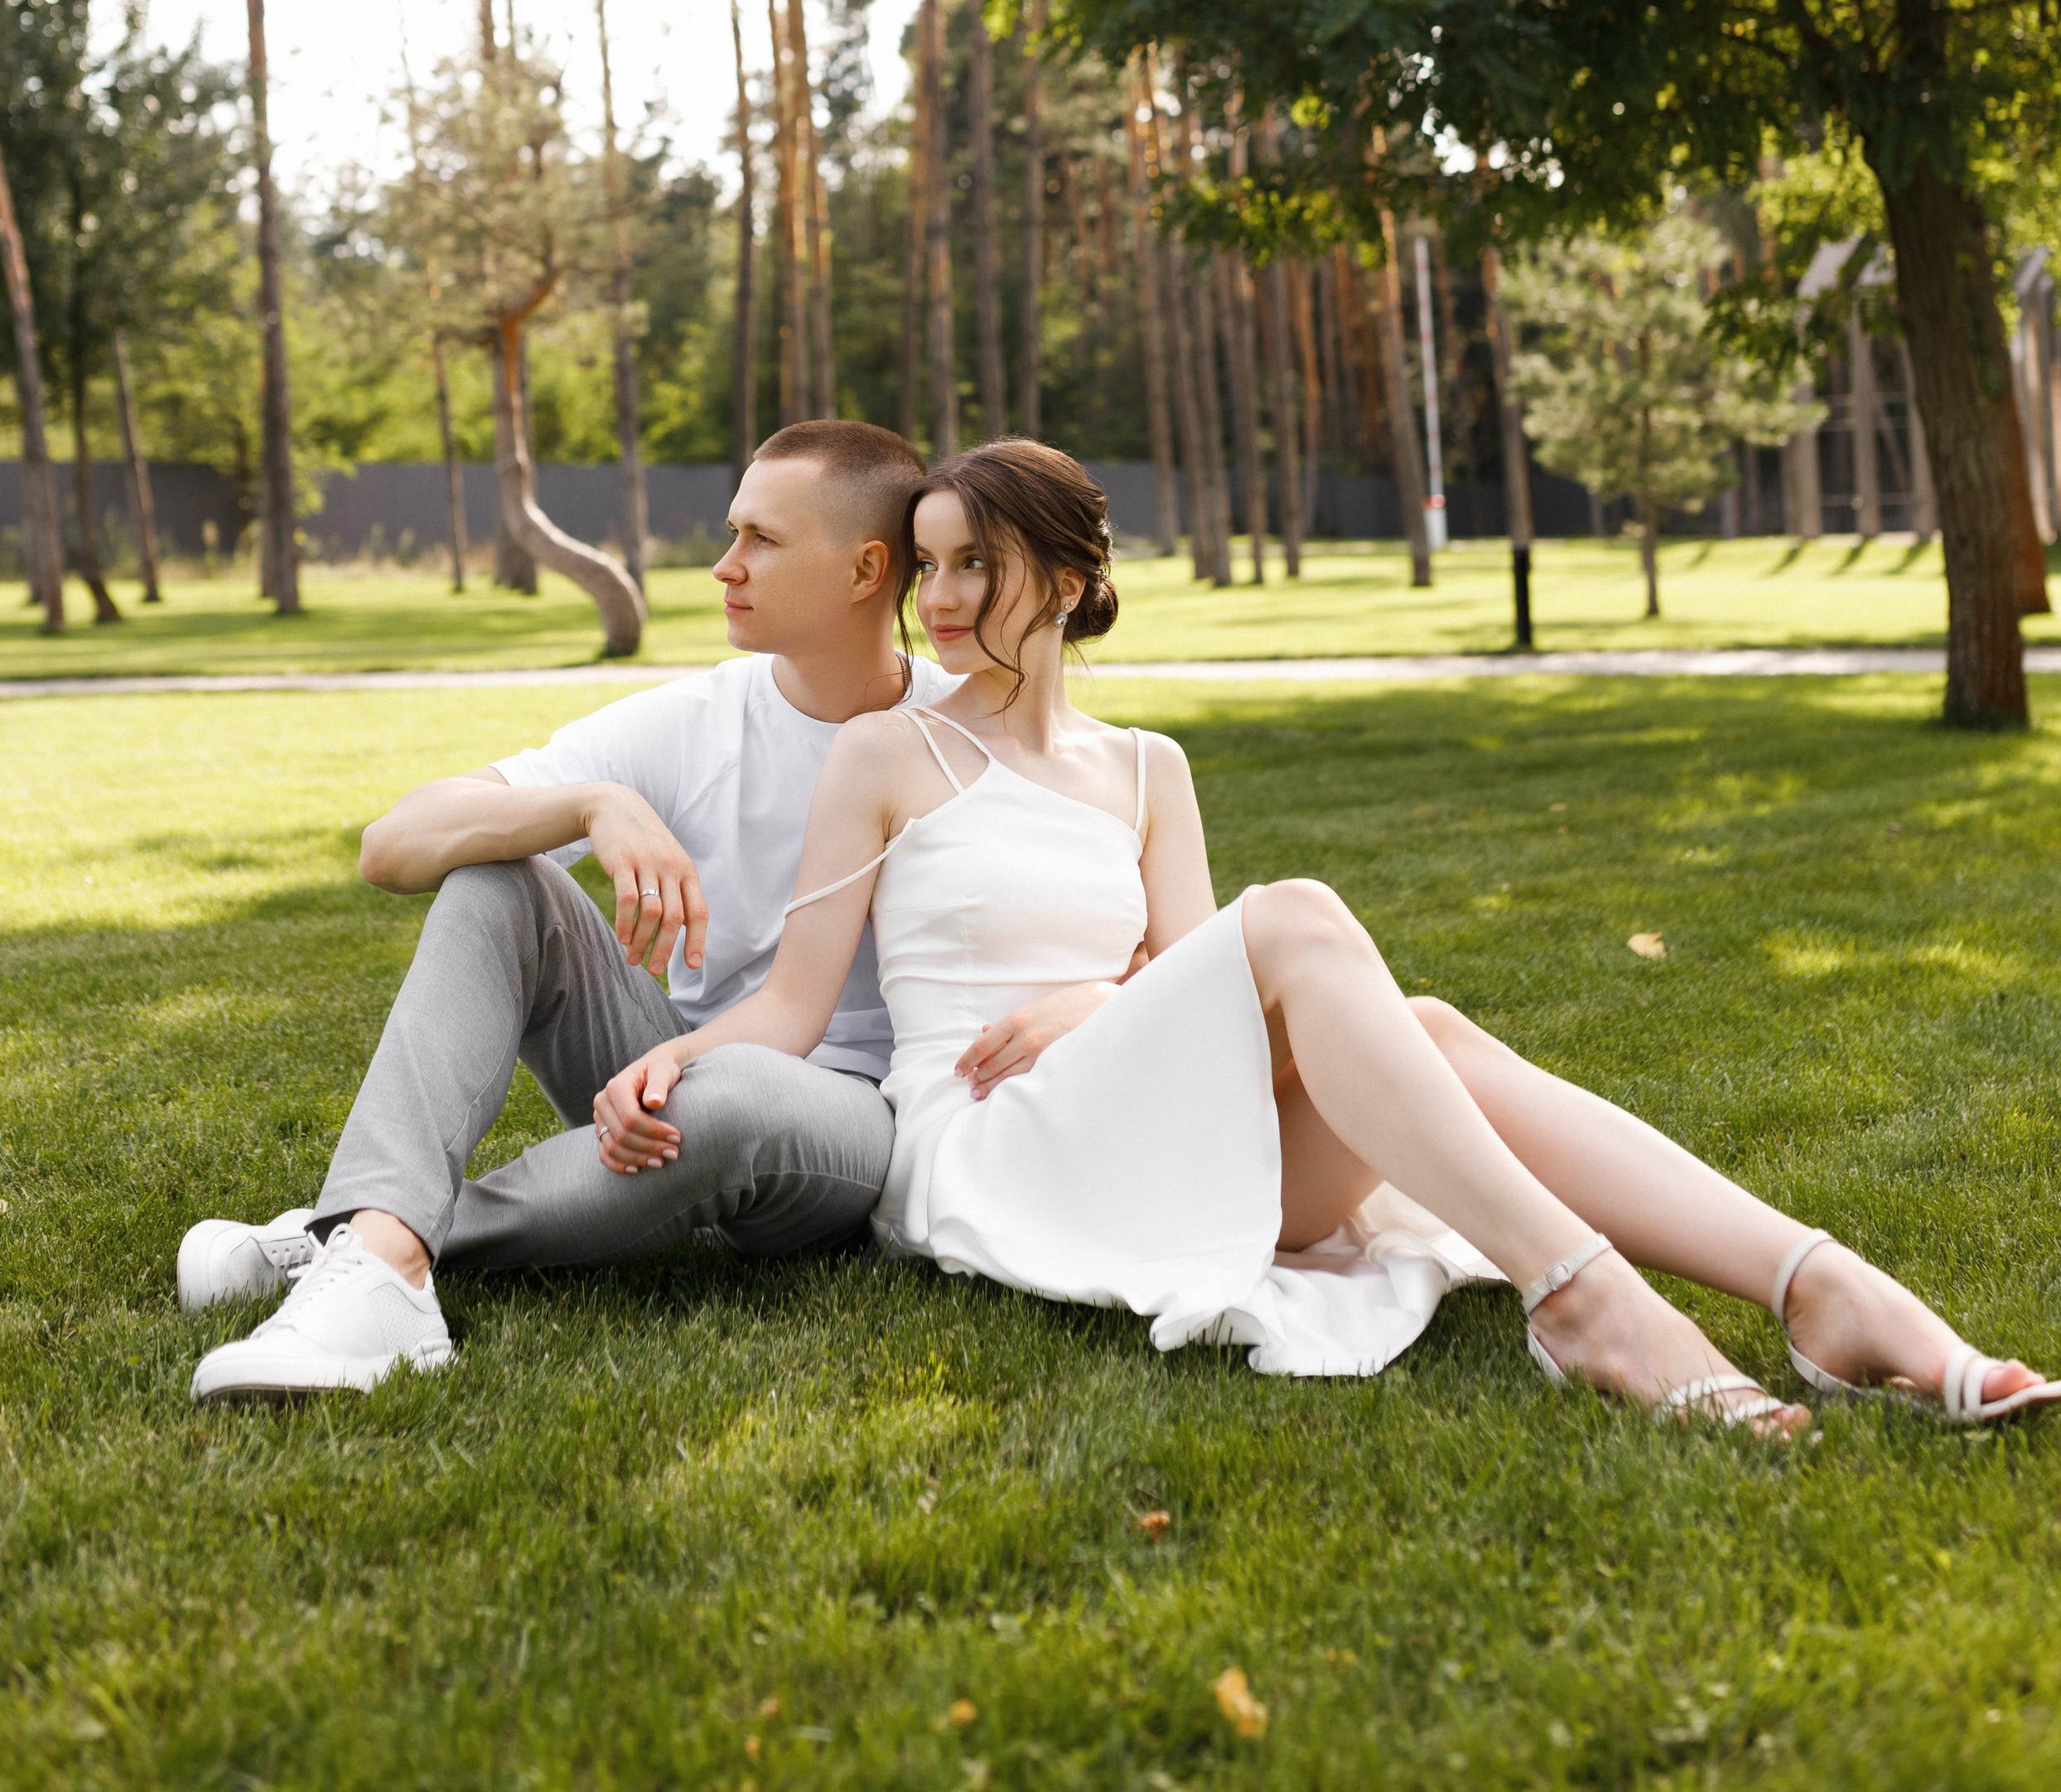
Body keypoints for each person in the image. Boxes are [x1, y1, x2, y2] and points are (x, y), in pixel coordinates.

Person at [594, 437, 2061, 1429]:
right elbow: (793, 1006)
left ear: (1066, 570)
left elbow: (1179, 974)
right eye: (928, 569)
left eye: (975, 562)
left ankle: (1816, 1287)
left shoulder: (1147, 769)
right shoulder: (888, 755)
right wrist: (671, 1065)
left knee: (1419, 1029)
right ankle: (1595, 1298)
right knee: (1297, 922)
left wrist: (1105, 1006)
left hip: (1141, 1112)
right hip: (992, 1140)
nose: (947, 598)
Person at [181, 419, 953, 1401]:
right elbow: (392, 845)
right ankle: (382, 1263)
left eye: (762, 539)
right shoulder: (694, 718)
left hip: (846, 1121)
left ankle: (342, 1235)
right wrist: (589, 804)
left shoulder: (963, 729)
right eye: (732, 534)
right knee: (500, 878)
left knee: (736, 1094)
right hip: (656, 1069)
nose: (724, 566)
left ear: (865, 568)